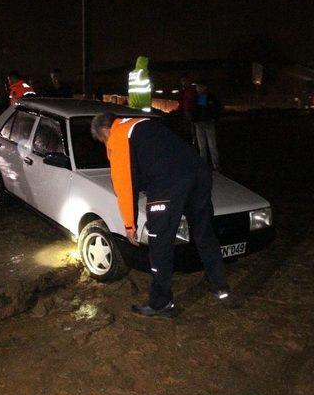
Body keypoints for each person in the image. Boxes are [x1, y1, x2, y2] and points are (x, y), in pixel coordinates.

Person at [90, 113, 232, 318]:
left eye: (103, 141)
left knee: (159, 243)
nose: (106, 145)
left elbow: (123, 183)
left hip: (168, 183)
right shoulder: (142, 124)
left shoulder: (118, 134)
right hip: (199, 173)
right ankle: (221, 286)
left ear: (104, 131)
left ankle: (161, 303)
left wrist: (129, 225)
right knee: (204, 233)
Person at [192, 81, 221, 171]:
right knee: (202, 146)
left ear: (204, 87)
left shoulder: (210, 97)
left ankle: (216, 165)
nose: (197, 89)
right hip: (199, 123)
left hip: (208, 122)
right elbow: (194, 110)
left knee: (211, 145)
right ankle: (204, 165)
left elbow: (216, 108)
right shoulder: (196, 97)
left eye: (198, 87)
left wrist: (213, 117)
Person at [178, 73, 196, 145]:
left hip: (192, 114)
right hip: (186, 114)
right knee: (188, 132)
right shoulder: (184, 91)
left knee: (192, 132)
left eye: (185, 80)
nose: (184, 83)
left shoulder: (192, 91)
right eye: (182, 81)